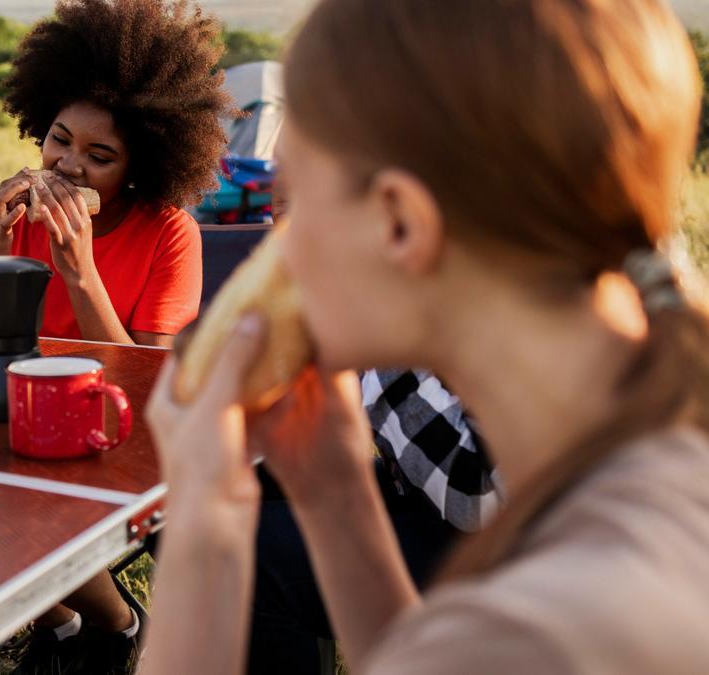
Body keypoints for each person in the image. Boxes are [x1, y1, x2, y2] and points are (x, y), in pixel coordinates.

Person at [143, 0, 709, 673]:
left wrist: (203, 537)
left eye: (292, 200)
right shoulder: (656, 457)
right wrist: (336, 494)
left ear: (400, 223)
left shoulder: (548, 632)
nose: (279, 240)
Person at [0, 1, 234, 672]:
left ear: (139, 164)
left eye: (100, 155)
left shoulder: (169, 233)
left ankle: (117, 623)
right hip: (36, 415)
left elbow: (144, 376)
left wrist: (81, 271)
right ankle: (59, 622)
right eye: (59, 139)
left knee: (15, 496)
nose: (69, 165)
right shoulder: (23, 220)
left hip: (124, 424)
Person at [248, 369, 499, 673]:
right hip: (430, 500)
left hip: (510, 553)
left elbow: (478, 495)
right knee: (263, 486)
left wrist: (370, 365)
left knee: (253, 550)